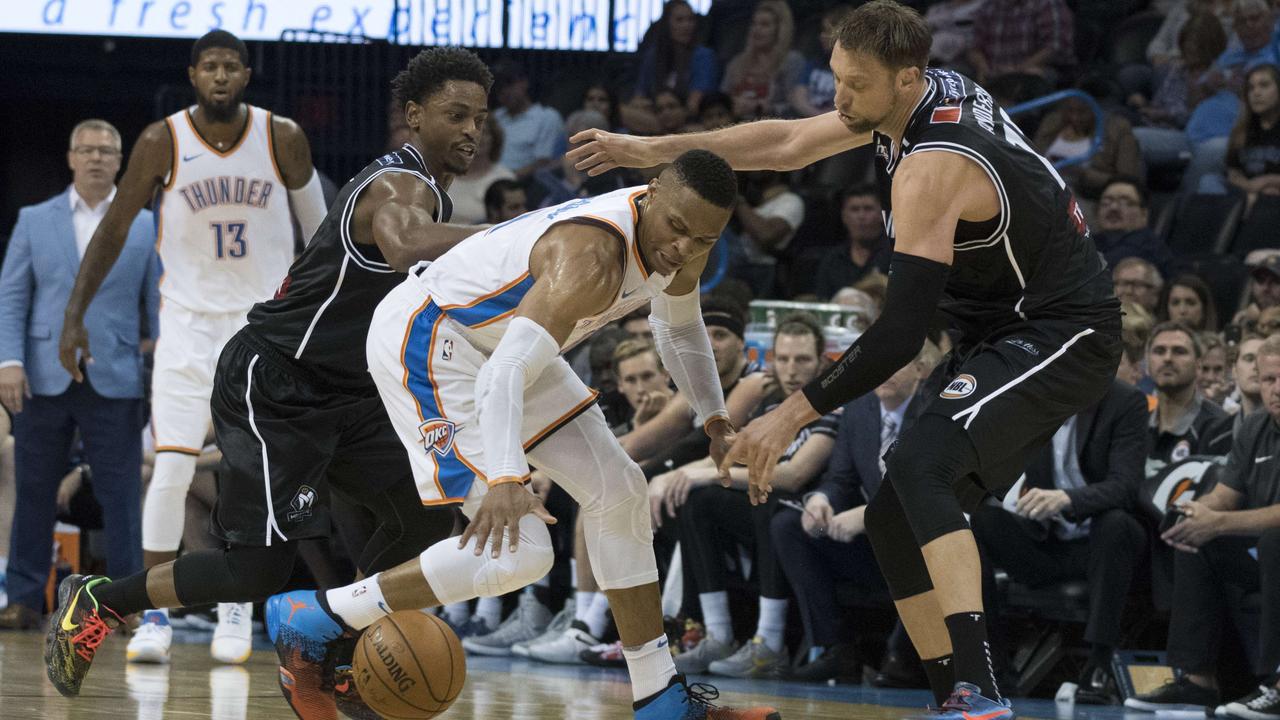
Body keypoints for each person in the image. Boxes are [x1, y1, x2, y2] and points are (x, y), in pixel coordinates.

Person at [569, 2, 1123, 716]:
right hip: (999, 327)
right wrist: (655, 150)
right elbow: (791, 141)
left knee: (925, 468)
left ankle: (980, 696)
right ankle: (948, 695)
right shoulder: (911, 98)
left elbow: (897, 337)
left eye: (856, 84)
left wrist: (787, 418)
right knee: (894, 514)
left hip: (1062, 329)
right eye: (836, 77)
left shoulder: (933, 166)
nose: (840, 98)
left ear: (907, 79)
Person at [43, 48, 494, 710]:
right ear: (414, 115)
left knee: (425, 511)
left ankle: (330, 642)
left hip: (348, 392)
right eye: (456, 115)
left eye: (480, 119)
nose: (471, 131)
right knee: (256, 568)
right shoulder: (398, 187)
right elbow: (402, 244)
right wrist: (524, 230)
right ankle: (101, 601)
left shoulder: (417, 186)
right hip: (271, 380)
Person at [266, 152, 779, 720]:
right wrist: (509, 476)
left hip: (504, 345)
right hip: (434, 339)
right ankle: (318, 614)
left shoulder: (683, 244)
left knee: (622, 491)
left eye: (703, 239)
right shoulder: (593, 258)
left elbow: (680, 330)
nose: (684, 248)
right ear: (652, 191)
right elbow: (501, 376)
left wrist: (715, 420)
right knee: (524, 553)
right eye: (678, 229)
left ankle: (660, 698)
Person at [52, 30, 327, 666]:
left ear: (247, 74)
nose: (222, 76)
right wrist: (75, 316)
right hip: (186, 325)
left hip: (261, 326)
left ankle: (235, 611)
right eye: (211, 66)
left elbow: (320, 235)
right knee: (172, 469)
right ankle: (152, 620)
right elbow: (115, 230)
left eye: (232, 66)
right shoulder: (161, 140)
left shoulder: (281, 136)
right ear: (193, 73)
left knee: (244, 472)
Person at [0, 120, 159, 631]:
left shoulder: (143, 222)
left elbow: (158, 296)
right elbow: (12, 296)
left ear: (120, 161)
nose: (95, 158)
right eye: (86, 150)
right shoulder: (34, 219)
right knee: (34, 490)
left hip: (115, 373)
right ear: (70, 158)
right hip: (43, 374)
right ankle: (24, 599)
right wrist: (9, 362)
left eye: (106, 151)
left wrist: (158, 350)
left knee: (122, 495)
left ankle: (124, 604)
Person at [656, 314, 839, 679]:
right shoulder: (771, 408)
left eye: (802, 360)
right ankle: (717, 633)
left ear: (821, 362)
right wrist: (690, 474)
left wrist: (708, 472)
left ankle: (769, 642)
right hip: (771, 510)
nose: (791, 370)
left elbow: (794, 473)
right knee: (699, 501)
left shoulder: (832, 405)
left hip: (808, 513)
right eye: (783, 359)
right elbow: (735, 454)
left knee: (764, 497)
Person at [1125, 336, 1280, 717]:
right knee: (1196, 536)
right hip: (1262, 552)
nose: (1275, 389)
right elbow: (1226, 494)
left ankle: (1276, 684)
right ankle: (1197, 681)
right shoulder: (1256, 427)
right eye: (1268, 379)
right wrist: (1197, 510)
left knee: (1275, 539)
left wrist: (1220, 521)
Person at [970, 379, 1150, 704]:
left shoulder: (1126, 402)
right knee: (981, 520)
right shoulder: (1032, 406)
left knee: (1115, 524)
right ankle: (992, 667)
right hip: (1051, 541)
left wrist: (1067, 499)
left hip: (1107, 546)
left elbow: (1125, 487)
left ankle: (1100, 663)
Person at [772, 345, 931, 683]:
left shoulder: (934, 411)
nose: (884, 372)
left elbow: (928, 488)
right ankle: (835, 649)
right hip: (875, 548)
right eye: (877, 363)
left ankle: (903, 656)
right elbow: (840, 479)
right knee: (790, 526)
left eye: (896, 363)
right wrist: (821, 501)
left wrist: (869, 514)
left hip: (919, 539)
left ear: (920, 369)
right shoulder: (859, 409)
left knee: (916, 533)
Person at [1147, 322, 1234, 467]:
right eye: (1159, 351)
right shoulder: (1135, 422)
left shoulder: (1220, 428)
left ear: (1198, 366)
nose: (1167, 358)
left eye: (1179, 351)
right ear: (1148, 364)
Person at [720, 0, 805, 120]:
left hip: (771, 125)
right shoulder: (737, 62)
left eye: (764, 25)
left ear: (779, 30)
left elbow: (795, 106)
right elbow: (720, 99)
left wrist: (758, 107)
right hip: (733, 122)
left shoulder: (792, 61)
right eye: (754, 24)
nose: (756, 29)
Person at [632, 0, 719, 115]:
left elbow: (695, 104)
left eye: (691, 20)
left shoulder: (703, 56)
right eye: (680, 20)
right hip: (655, 114)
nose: (687, 26)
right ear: (667, 24)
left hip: (689, 120)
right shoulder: (653, 55)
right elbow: (639, 97)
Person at [813, 184, 891, 300]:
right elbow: (823, 299)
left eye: (868, 209)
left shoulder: (895, 255)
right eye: (854, 209)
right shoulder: (832, 259)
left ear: (881, 214)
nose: (861, 216)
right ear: (844, 216)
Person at [493, 63, 564, 180]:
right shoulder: (494, 118)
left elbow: (543, 162)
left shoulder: (546, 117)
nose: (505, 91)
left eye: (509, 84)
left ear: (524, 83)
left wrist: (507, 179)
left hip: (525, 184)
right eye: (499, 87)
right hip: (485, 180)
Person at [1221, 63, 1280, 203]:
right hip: (1244, 196)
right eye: (1250, 88)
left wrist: (1267, 181)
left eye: (1264, 85)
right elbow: (1233, 172)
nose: (1256, 93)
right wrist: (1250, 188)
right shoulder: (1241, 131)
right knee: (1209, 181)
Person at [1093, 177, 1173, 277]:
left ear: (1144, 214)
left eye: (1125, 203)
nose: (1113, 208)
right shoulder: (1087, 242)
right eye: (1106, 202)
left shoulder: (1152, 250)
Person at [447, 116, 515, 225]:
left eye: (484, 133)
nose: (477, 137)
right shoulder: (440, 173)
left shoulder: (504, 177)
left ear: (494, 138)